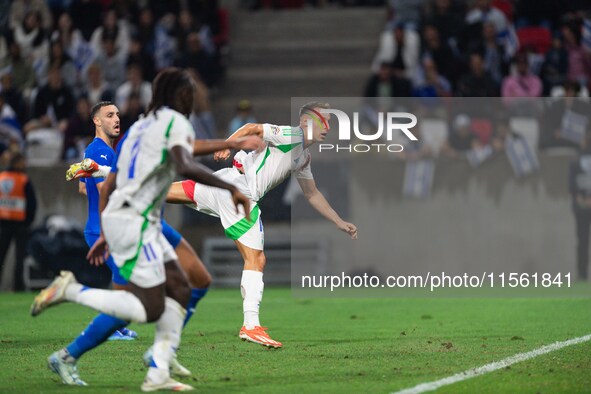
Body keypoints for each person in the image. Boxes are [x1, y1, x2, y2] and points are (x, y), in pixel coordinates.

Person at [31, 68, 251, 392]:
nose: (195, 97)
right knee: (145, 307)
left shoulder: (138, 130)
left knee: (193, 281)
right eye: (191, 91)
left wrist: (105, 231)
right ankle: (71, 296)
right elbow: (185, 161)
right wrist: (229, 187)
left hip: (140, 221)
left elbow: (110, 185)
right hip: (135, 222)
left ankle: (159, 363)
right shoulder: (171, 122)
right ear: (180, 95)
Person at [165, 102, 358, 348]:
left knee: (161, 193)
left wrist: (338, 221)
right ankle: (251, 325)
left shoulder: (303, 156)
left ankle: (107, 175)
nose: (328, 127)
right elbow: (252, 127)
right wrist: (228, 143)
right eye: (323, 120)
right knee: (256, 260)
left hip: (225, 181)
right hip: (240, 193)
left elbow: (312, 194)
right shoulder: (293, 134)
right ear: (306, 123)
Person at [0, 152, 36, 291]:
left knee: (1, 256)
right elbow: (32, 203)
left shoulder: (1, 178)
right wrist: (28, 221)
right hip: (20, 224)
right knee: (20, 257)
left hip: (3, 223)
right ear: (16, 163)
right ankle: (18, 287)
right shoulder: (23, 179)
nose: (24, 165)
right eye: (22, 162)